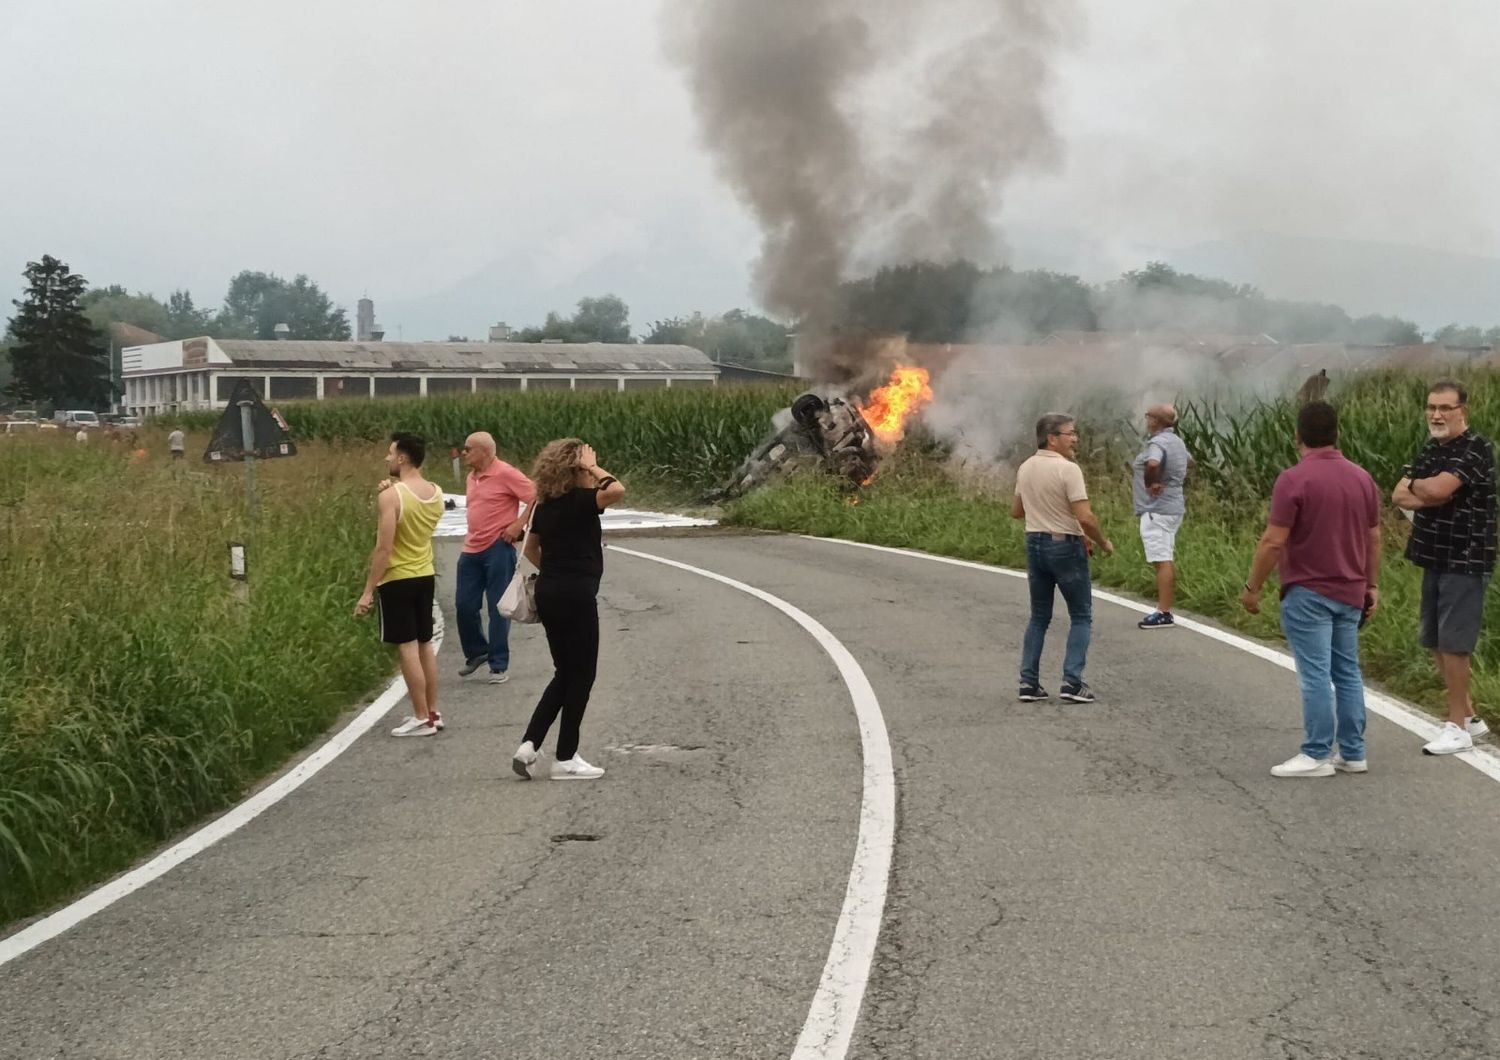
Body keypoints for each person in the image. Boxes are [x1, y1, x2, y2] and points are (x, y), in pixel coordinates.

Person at [1241, 401, 1381, 778]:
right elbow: (1373, 537)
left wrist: (1253, 586)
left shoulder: (1293, 479)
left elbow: (1273, 541)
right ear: (1337, 433)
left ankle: (1317, 752)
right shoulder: (1362, 478)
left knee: (1315, 673)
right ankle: (1353, 752)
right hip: (1351, 590)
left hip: (1307, 590)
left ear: (1297, 436)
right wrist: (1372, 584)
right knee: (1347, 672)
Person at [1392, 379, 1496, 756]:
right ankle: (1469, 717)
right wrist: (1430, 488)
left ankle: (1456, 727)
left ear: (1461, 411)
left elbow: (1430, 491)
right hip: (1433, 555)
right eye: (1431, 407)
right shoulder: (1433, 449)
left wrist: (1426, 489)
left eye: (1445, 408)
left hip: (1465, 557)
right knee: (1434, 639)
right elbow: (1398, 493)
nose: (1436, 414)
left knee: (1455, 644)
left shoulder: (1476, 448)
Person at [512, 440, 626, 780]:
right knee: (583, 675)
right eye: (587, 468)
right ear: (576, 470)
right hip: (576, 594)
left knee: (565, 672)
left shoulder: (545, 506)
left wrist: (559, 570)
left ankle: (529, 744)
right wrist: (592, 466)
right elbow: (617, 489)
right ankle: (565, 757)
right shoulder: (581, 501)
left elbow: (531, 548)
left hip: (550, 590)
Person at [1011, 413, 1114, 704]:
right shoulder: (1069, 470)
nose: (1075, 438)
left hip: (1035, 543)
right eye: (1070, 433)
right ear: (1052, 438)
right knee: (1081, 615)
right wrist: (1103, 542)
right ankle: (1072, 681)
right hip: (1065, 546)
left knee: (1039, 616)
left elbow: (1017, 511)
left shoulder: (1026, 467)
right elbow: (1086, 516)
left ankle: (1028, 682)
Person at [356, 432, 446, 737]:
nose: (387, 458)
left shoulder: (391, 496)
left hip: (398, 578)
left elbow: (384, 548)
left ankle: (420, 716)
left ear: (403, 458)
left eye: (390, 453)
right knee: (425, 646)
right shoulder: (435, 492)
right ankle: (433, 711)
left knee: (407, 648)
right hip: (424, 574)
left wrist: (369, 589)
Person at [455, 431, 536, 684]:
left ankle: (498, 665)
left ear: (485, 451)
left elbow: (537, 496)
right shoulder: (472, 476)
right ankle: (478, 651)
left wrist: (519, 524)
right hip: (471, 548)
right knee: (464, 605)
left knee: (499, 607)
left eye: (469, 449)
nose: (464, 452)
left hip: (498, 547)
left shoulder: (505, 473)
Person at [1132, 404, 1191, 629]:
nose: (1147, 420)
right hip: (1174, 507)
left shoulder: (1157, 443)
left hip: (1157, 510)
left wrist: (1153, 482)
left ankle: (1164, 612)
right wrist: (1174, 480)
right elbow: (1189, 462)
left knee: (1162, 559)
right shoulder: (1177, 442)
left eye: (1149, 416)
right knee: (1165, 555)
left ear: (1156, 420)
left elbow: (1153, 462)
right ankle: (1164, 609)